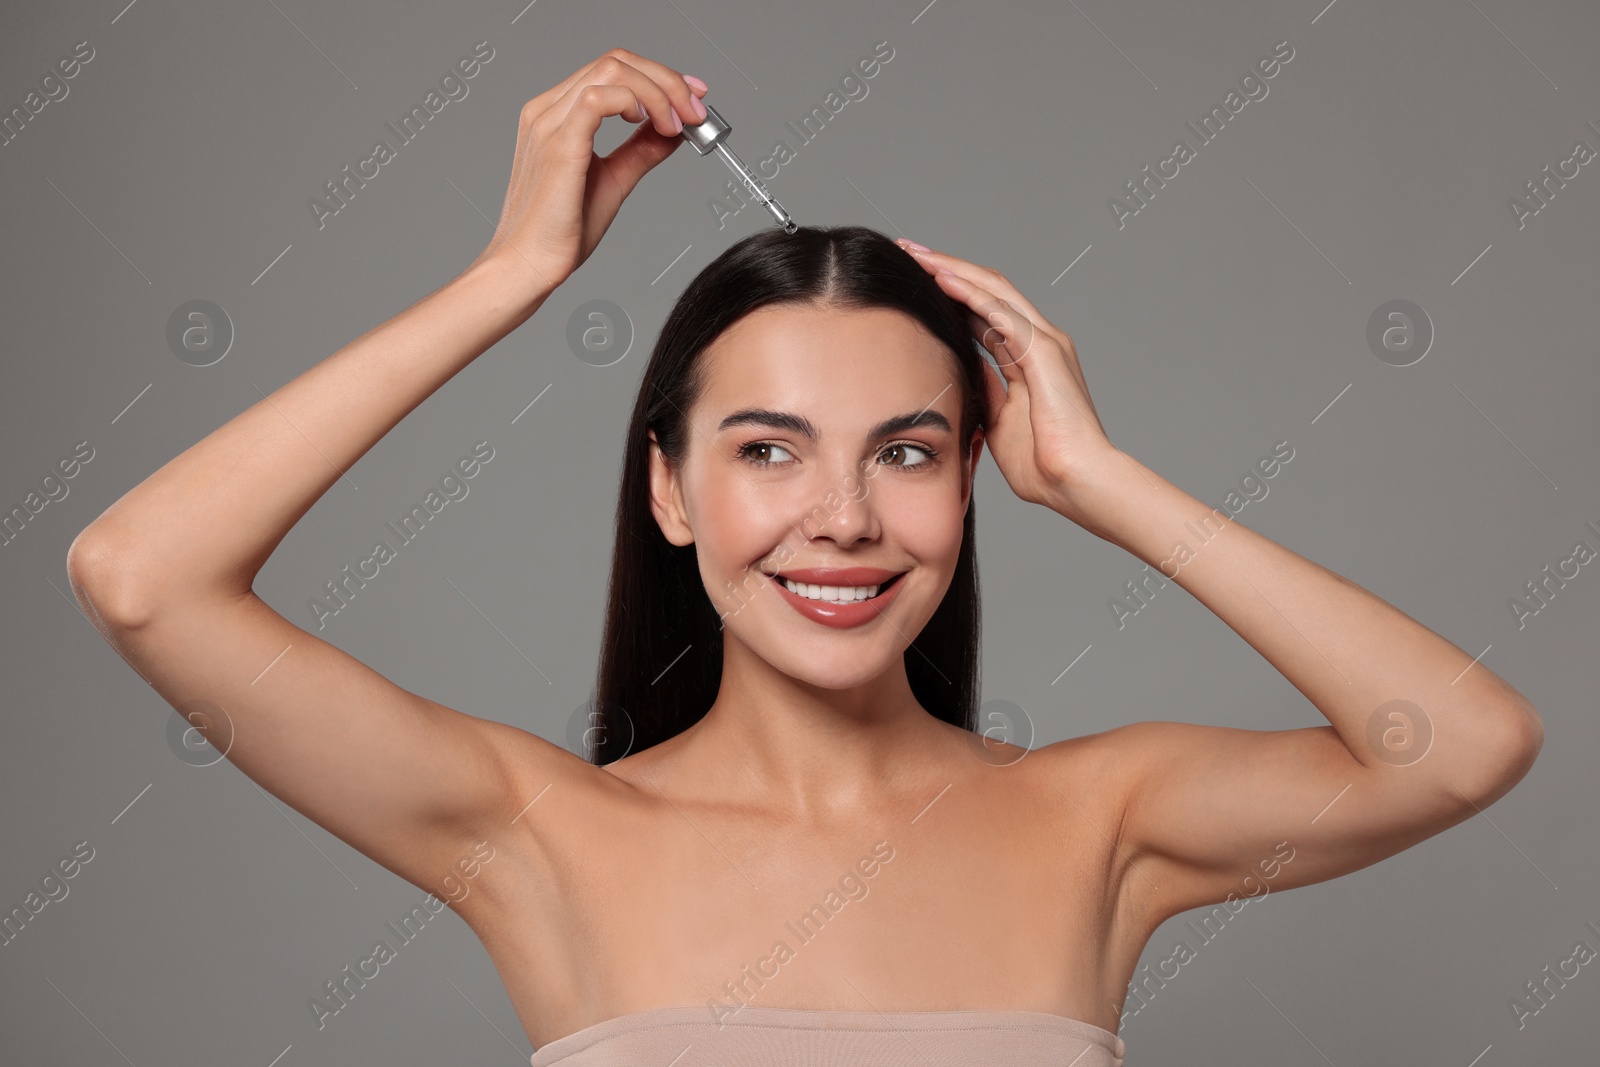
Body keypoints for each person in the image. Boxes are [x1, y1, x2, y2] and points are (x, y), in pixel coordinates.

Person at [66, 48, 1543, 1065]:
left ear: (969, 481)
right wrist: (508, 278)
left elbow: (1462, 744)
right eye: (767, 450)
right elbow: (143, 573)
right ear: (670, 489)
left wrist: (1102, 480)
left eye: (905, 451)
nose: (842, 515)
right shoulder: (535, 833)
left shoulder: (1101, 820)